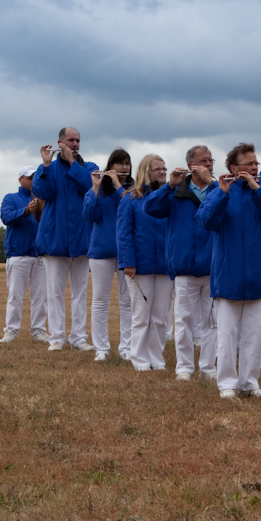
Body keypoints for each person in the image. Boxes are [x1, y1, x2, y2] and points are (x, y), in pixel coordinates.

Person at [197, 143, 261, 398]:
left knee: (254, 335)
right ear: (234, 168)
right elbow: (206, 220)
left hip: (260, 275)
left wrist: (258, 190)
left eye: (256, 163)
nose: (255, 167)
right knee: (226, 334)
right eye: (249, 163)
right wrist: (222, 194)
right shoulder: (219, 191)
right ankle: (227, 383)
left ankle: (250, 382)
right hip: (229, 275)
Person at [144, 145, 217, 382]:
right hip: (184, 266)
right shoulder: (176, 191)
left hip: (213, 266)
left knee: (211, 321)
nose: (209, 164)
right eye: (204, 161)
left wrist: (214, 184)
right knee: (183, 320)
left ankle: (208, 367)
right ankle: (184, 367)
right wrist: (169, 186)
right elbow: (150, 208)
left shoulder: (219, 190)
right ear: (190, 166)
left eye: (211, 161)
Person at [33, 127, 97, 352]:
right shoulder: (47, 167)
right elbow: (43, 192)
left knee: (80, 293)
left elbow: (90, 188)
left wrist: (72, 163)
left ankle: (78, 337)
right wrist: (46, 165)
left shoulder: (89, 167)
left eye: (78, 140)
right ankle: (57, 337)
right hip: (55, 237)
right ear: (60, 142)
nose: (75, 144)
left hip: (81, 236)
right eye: (71, 140)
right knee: (55, 293)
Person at [116, 154, 172, 371]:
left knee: (160, 316)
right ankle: (139, 359)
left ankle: (156, 359)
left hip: (165, 265)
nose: (162, 172)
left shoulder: (170, 197)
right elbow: (124, 233)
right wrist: (128, 262)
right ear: (146, 171)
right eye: (158, 168)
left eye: (164, 168)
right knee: (141, 315)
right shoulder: (130, 199)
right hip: (140, 265)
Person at [83, 149, 135, 361]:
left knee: (127, 302)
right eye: (120, 163)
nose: (124, 167)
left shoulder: (133, 189)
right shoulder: (98, 190)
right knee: (100, 301)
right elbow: (89, 215)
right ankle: (101, 348)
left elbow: (131, 206)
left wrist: (117, 186)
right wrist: (95, 188)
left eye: (128, 163)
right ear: (110, 165)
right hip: (101, 252)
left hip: (126, 253)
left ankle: (127, 348)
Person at [0, 165, 48, 344]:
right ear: (20, 180)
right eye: (30, 178)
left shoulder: (44, 199)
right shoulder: (11, 198)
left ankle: (39, 331)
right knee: (15, 296)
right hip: (18, 254)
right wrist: (26, 211)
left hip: (40, 255)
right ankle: (11, 331)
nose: (33, 181)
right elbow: (6, 217)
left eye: (36, 178)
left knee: (41, 297)